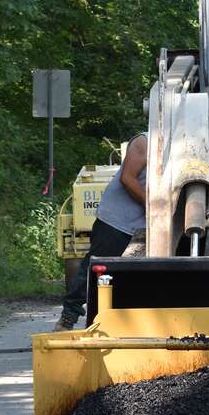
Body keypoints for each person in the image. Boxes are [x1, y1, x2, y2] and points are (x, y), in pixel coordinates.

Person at [57, 131, 147, 330]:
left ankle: (115, 322)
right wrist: (153, 206)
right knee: (95, 267)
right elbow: (127, 178)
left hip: (146, 223)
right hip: (116, 220)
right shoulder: (144, 142)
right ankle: (68, 317)